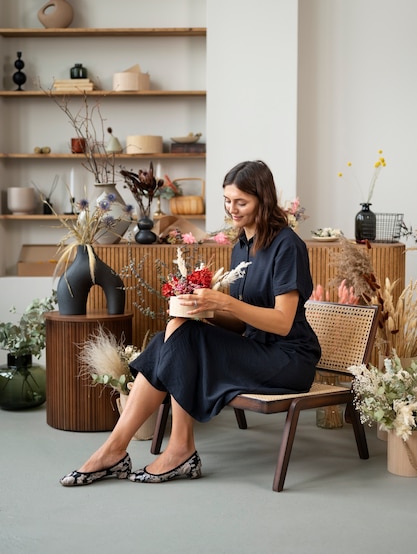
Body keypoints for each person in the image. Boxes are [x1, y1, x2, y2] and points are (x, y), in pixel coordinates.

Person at [60, 160, 320, 486]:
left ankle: (175, 449)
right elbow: (242, 324)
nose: (232, 209)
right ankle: (116, 448)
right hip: (256, 348)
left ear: (263, 199)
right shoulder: (242, 246)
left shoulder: (287, 246)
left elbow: (282, 323)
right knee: (174, 332)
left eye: (241, 202)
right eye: (227, 200)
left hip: (289, 359)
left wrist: (223, 300)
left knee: (184, 339)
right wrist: (201, 309)